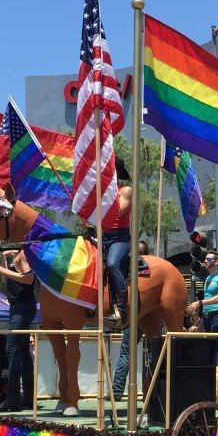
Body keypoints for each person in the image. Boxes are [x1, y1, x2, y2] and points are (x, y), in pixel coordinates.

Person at [0, 248, 37, 412]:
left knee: (12, 349)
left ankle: (13, 398)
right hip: (17, 308)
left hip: (23, 308)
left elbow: (30, 279)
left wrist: (2, 268)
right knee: (22, 352)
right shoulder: (15, 258)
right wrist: (3, 261)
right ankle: (28, 398)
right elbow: (4, 279)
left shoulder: (23, 255)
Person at [112, 241, 150, 401]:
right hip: (147, 313)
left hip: (134, 314)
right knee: (152, 354)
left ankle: (117, 391)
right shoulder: (149, 270)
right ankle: (150, 391)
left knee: (126, 353)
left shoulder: (126, 270)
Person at [101, 159, 133, 324]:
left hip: (119, 237)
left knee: (113, 264)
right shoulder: (101, 193)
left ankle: (121, 311)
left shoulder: (125, 191)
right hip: (103, 236)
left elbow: (119, 211)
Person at [194, 250, 218, 333]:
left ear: (217, 262)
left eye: (209, 259)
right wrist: (202, 321)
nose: (205, 261)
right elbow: (208, 297)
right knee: (209, 344)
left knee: (215, 344)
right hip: (206, 316)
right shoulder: (208, 278)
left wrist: (199, 302)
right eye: (205, 259)